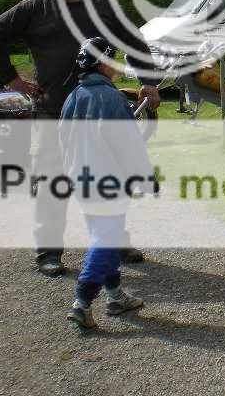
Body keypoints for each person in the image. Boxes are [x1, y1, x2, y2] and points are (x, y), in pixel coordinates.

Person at [0, 0, 161, 276]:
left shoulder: (102, 7)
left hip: (99, 111)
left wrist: (148, 83)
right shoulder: (36, 7)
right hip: (54, 110)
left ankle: (115, 241)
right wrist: (11, 78)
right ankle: (48, 252)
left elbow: (135, 42)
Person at [61, 37, 154, 330]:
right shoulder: (113, 100)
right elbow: (129, 144)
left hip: (83, 180)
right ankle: (82, 303)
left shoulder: (74, 96)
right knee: (106, 240)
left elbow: (64, 140)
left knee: (103, 236)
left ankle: (114, 296)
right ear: (103, 64)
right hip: (109, 181)